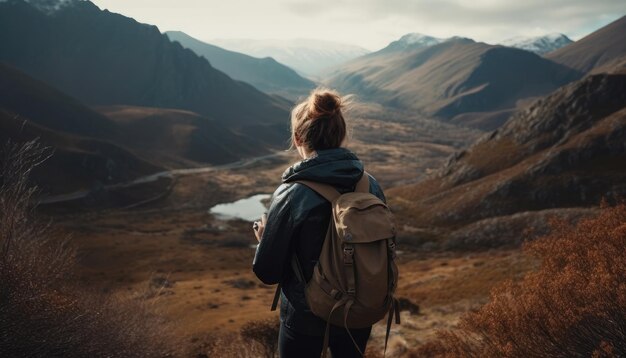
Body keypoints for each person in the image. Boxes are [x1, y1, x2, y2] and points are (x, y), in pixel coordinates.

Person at [251, 88, 387, 358]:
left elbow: (268, 272)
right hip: (358, 310)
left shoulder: (291, 193)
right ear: (342, 135)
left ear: (298, 137)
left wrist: (265, 239)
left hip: (305, 319)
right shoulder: (369, 184)